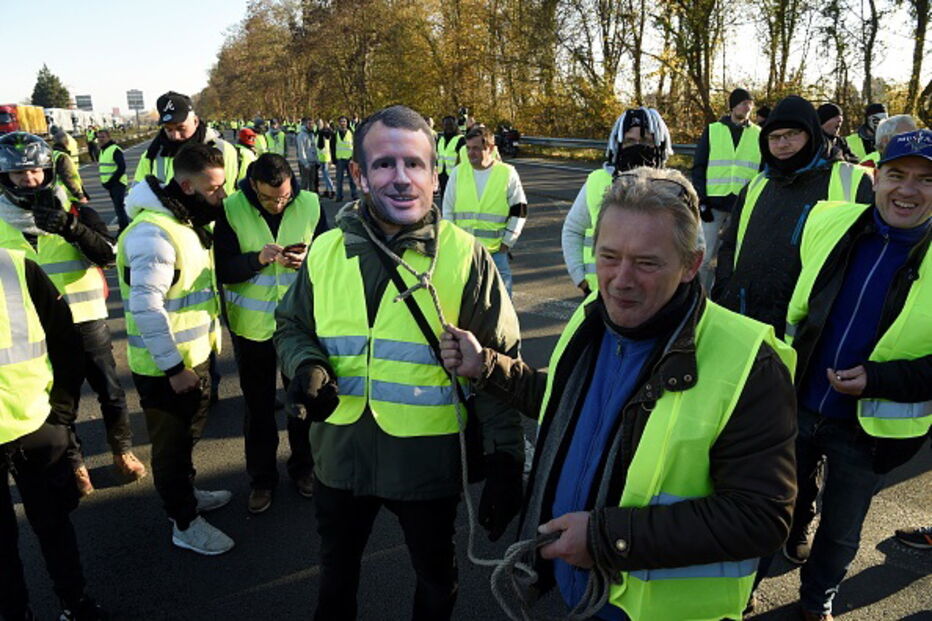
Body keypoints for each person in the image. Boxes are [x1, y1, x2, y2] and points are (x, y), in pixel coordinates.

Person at [441, 166, 797, 621]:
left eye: (647, 262)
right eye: (608, 257)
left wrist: (606, 539)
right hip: (577, 591)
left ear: (692, 264)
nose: (620, 280)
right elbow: (566, 406)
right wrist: (487, 367)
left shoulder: (749, 360)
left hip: (660, 612)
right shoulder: (594, 317)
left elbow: (761, 516)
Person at [274, 105, 524, 620]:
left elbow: (501, 361)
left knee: (436, 580)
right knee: (335, 579)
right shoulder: (324, 251)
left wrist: (505, 460)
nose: (402, 179)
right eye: (385, 164)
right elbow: (292, 324)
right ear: (359, 174)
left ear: (436, 174)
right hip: (339, 457)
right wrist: (306, 364)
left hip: (427, 464)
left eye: (415, 164)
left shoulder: (466, 256)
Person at [778, 129, 932, 621]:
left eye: (926, 180)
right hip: (799, 404)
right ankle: (790, 534)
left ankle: (816, 600)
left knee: (842, 531)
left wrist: (878, 381)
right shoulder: (835, 226)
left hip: (868, 432)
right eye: (897, 175)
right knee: (778, 504)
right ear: (877, 176)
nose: (907, 190)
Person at [0, 132, 146, 494]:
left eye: (35, 171)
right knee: (58, 404)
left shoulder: (78, 210)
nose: (29, 180)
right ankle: (76, 465)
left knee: (110, 393)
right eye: (19, 175)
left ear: (48, 171)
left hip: (86, 320)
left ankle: (122, 452)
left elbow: (109, 255)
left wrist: (71, 228)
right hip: (35, 333)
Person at [118, 143, 233, 555]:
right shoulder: (154, 234)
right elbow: (147, 309)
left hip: (190, 359)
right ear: (186, 186)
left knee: (186, 439)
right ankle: (184, 522)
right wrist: (174, 368)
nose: (221, 197)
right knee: (170, 448)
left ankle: (187, 494)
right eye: (213, 189)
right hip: (166, 368)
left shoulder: (183, 220)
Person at [215, 153, 327, 513]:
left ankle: (304, 469)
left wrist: (308, 258)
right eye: (268, 198)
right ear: (252, 187)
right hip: (252, 329)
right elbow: (223, 268)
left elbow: (331, 256)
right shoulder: (231, 208)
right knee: (259, 408)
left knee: (302, 402)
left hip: (300, 325)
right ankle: (262, 480)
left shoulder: (309, 202)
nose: (278, 204)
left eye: (283, 196)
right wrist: (256, 260)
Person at [0, 247, 107, 621]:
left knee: (54, 524)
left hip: (36, 426)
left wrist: (61, 411)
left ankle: (74, 602)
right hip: (37, 425)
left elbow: (64, 336)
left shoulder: (15, 266)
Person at [712, 95, 874, 336]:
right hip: (746, 320)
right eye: (774, 137)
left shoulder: (852, 181)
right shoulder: (757, 185)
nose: (782, 144)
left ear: (811, 134)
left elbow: (868, 255)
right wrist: (726, 290)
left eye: (792, 134)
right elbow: (729, 244)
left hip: (814, 332)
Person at [562, 108, 674, 294]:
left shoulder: (674, 186)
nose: (638, 147)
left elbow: (694, 246)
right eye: (630, 141)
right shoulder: (597, 181)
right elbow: (573, 230)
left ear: (659, 144)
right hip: (601, 293)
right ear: (618, 144)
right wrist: (580, 278)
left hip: (656, 299)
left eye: (646, 141)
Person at [443, 124, 527, 296]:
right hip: (463, 252)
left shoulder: (507, 173)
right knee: (464, 304)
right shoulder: (458, 172)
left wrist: (507, 242)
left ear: (489, 148)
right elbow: (448, 210)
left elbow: (520, 210)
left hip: (496, 253)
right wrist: (453, 243)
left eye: (476, 149)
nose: (470, 153)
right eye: (468, 148)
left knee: (502, 305)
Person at [691, 87, 762, 289]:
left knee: (735, 260)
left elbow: (763, 171)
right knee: (704, 257)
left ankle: (727, 300)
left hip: (742, 205)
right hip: (713, 204)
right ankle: (700, 299)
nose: (747, 107)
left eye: (749, 103)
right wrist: (701, 200)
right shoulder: (713, 130)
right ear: (733, 106)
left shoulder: (758, 134)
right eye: (742, 103)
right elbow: (699, 165)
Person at [133, 91, 238, 195]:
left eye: (181, 128)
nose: (175, 136)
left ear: (195, 121)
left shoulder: (222, 150)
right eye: (168, 129)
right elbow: (135, 198)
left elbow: (229, 197)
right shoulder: (151, 155)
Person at [97, 129, 129, 231]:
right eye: (99, 137)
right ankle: (123, 227)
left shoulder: (114, 149)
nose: (100, 139)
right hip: (110, 185)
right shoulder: (103, 150)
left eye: (103, 137)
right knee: (117, 207)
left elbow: (122, 167)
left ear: (109, 137)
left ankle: (124, 229)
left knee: (119, 208)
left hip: (118, 183)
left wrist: (111, 181)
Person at [436, 116, 465, 199]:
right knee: (444, 199)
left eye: (450, 124)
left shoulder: (461, 140)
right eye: (446, 124)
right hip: (442, 175)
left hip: (456, 176)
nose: (448, 127)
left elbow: (464, 160)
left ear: (455, 125)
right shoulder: (441, 139)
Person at [333, 115, 357, 202]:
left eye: (344, 121)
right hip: (339, 159)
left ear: (347, 123)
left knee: (352, 179)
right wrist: (333, 159)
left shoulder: (351, 133)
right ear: (339, 123)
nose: (343, 123)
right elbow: (333, 146)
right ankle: (339, 196)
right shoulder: (335, 133)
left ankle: (354, 195)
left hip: (350, 159)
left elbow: (355, 146)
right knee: (339, 179)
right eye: (341, 121)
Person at [296, 118, 319, 193]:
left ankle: (311, 200)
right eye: (309, 123)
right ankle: (303, 200)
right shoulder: (301, 135)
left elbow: (314, 148)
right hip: (305, 163)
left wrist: (317, 160)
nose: (311, 125)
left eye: (312, 123)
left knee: (312, 183)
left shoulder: (312, 134)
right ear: (305, 124)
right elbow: (301, 150)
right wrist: (305, 163)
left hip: (313, 162)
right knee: (304, 184)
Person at [316, 119, 334, 199]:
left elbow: (330, 135)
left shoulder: (325, 132)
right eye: (318, 123)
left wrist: (328, 127)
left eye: (321, 123)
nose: (319, 125)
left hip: (326, 157)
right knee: (324, 175)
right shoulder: (318, 133)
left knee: (326, 175)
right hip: (320, 157)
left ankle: (332, 189)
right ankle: (327, 190)